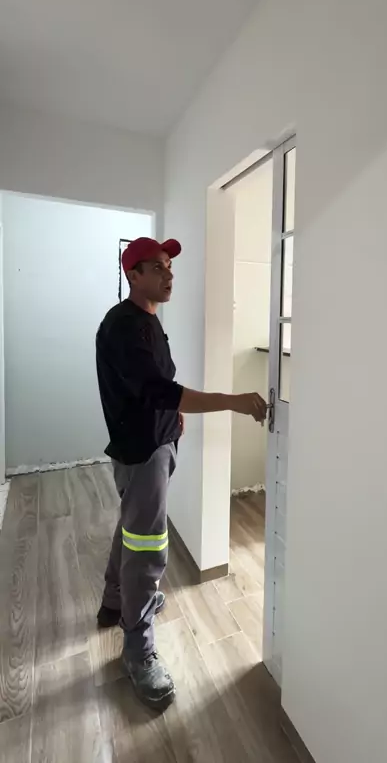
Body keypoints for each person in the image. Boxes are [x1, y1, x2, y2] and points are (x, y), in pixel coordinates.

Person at [95, 236, 267, 711]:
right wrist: (232, 402)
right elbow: (160, 392)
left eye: (169, 265)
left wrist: (175, 420)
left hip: (157, 443)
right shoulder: (123, 327)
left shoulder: (149, 321)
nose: (169, 274)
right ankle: (138, 649)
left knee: (134, 526)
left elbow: (161, 387)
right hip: (142, 451)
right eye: (157, 267)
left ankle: (115, 601)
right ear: (132, 275)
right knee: (148, 547)